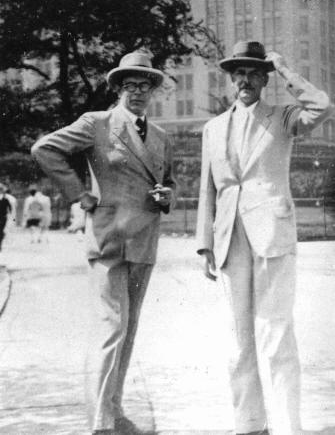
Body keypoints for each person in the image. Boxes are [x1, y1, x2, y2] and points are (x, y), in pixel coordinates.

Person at [31, 51, 175, 435]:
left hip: (144, 241)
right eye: (130, 85)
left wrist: (167, 196)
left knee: (128, 331)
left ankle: (113, 410)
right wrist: (79, 194)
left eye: (145, 85)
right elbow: (44, 149)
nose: (138, 92)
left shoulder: (161, 137)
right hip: (110, 239)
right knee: (112, 328)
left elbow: (169, 182)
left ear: (153, 91)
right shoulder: (97, 123)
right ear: (117, 89)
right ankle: (100, 424)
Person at [196, 40, 334, 435]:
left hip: (272, 234)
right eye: (238, 73)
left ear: (264, 79)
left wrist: (286, 70)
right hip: (229, 240)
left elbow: (322, 106)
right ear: (230, 79)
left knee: (275, 334)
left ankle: (289, 427)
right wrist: (205, 241)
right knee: (238, 339)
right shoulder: (213, 128)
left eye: (254, 73)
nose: (245, 79)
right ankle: (249, 425)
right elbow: (209, 188)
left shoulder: (284, 117)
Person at [0, 183, 12, 252]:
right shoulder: (5, 199)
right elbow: (10, 209)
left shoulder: (5, 199)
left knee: (1, 231)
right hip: (3, 217)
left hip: (3, 217)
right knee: (1, 231)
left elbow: (10, 209)